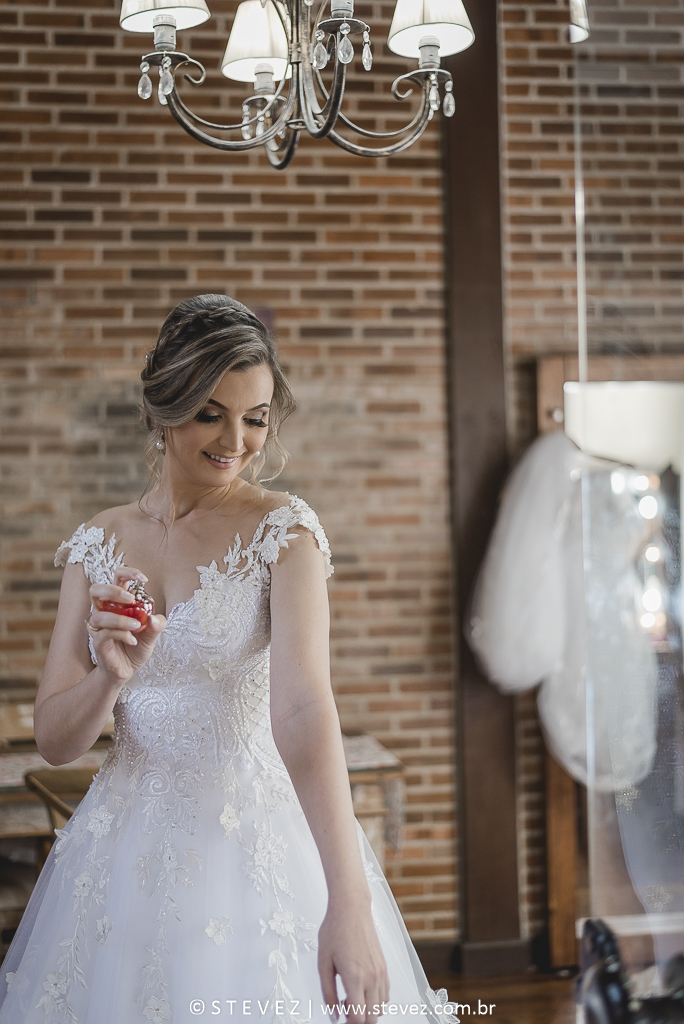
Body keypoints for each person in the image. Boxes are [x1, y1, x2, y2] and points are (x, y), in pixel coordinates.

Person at [0, 295, 457, 1024]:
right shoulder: (97, 542)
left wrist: (348, 902)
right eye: (211, 414)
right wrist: (111, 675)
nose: (236, 441)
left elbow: (304, 711)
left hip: (253, 848)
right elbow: (56, 740)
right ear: (163, 407)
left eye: (256, 417)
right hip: (122, 856)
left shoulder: (284, 532)